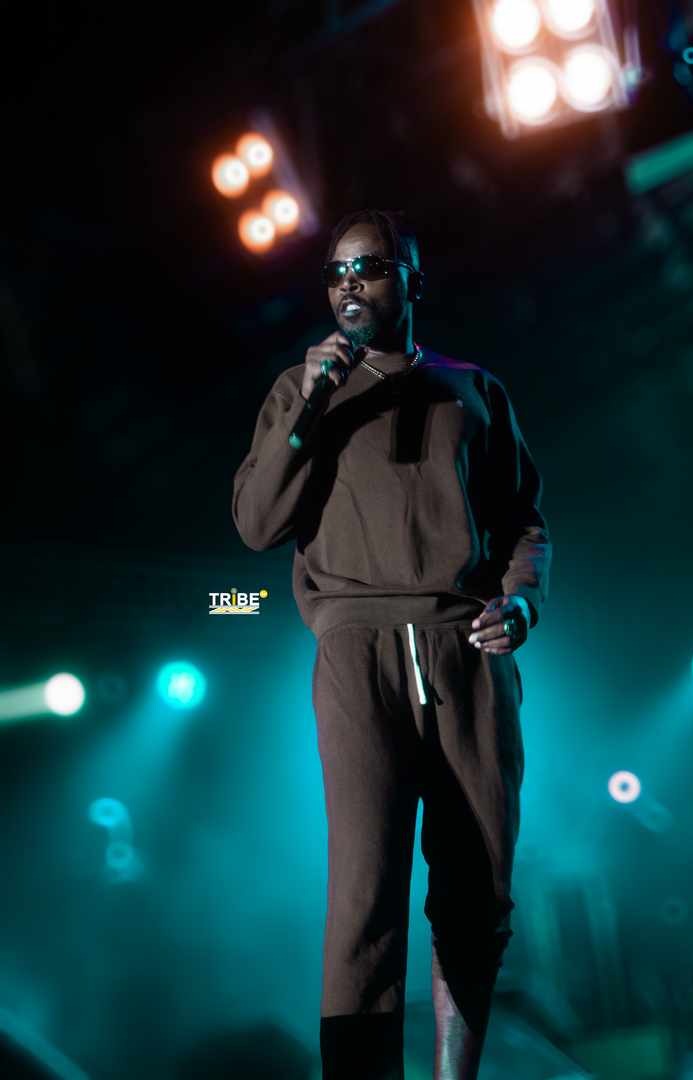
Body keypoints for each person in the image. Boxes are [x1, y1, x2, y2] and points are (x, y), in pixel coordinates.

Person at [232, 208, 552, 1079]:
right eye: (336, 273)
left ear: (410, 281)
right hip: (356, 650)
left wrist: (521, 605)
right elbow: (256, 525)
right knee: (365, 891)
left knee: (477, 888)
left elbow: (525, 522)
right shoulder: (301, 389)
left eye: (369, 268)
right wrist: (311, 401)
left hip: (467, 648)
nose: (350, 285)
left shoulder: (473, 389)